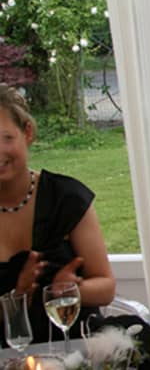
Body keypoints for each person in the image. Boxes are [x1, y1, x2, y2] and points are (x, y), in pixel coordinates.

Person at [0, 84, 116, 345]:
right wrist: (18, 296)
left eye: (6, 138)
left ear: (27, 133)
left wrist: (70, 291)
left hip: (74, 348)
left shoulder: (66, 198)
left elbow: (106, 287)